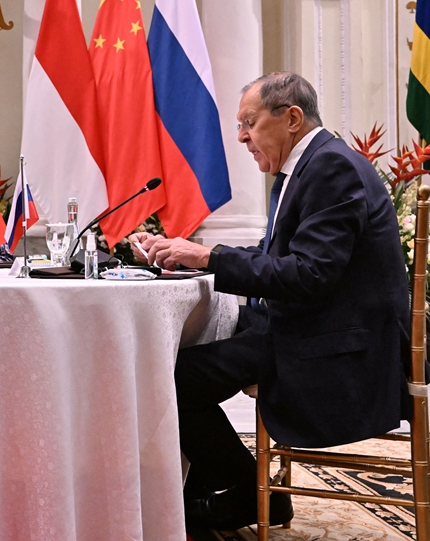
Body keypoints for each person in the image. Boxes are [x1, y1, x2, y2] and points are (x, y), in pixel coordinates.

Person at [130, 72, 412, 532]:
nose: (241, 136)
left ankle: (246, 491)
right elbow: (275, 260)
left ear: (292, 118)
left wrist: (209, 255)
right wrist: (191, 259)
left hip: (338, 346)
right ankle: (203, 488)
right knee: (179, 348)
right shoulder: (308, 164)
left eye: (249, 122)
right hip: (305, 323)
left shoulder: (330, 168)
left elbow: (310, 274)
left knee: (168, 380)